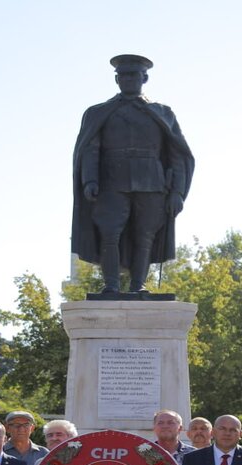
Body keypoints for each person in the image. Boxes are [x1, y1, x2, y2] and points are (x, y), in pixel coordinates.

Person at [71, 54, 194, 294]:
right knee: (109, 232)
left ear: (144, 78)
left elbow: (178, 154)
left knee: (145, 235)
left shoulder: (162, 113)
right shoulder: (98, 112)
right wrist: (90, 179)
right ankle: (112, 286)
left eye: (133, 75)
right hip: (110, 182)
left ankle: (139, 285)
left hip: (152, 182)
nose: (128, 80)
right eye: (123, 76)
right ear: (117, 80)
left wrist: (177, 191)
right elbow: (90, 148)